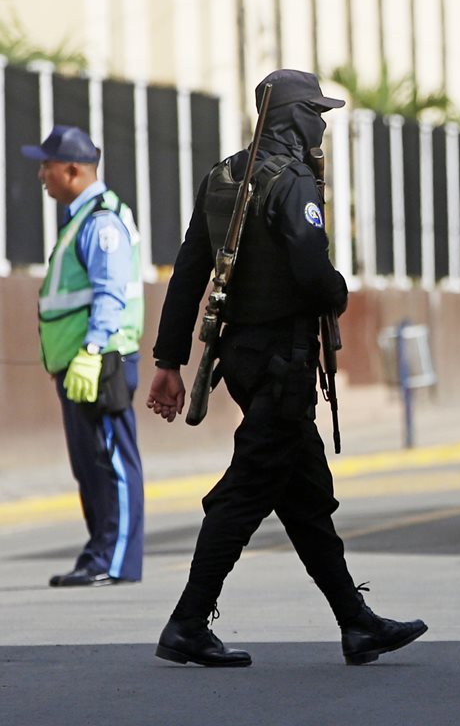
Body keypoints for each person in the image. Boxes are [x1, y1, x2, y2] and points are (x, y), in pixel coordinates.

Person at [145, 69, 427, 667]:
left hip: (245, 362)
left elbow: (189, 272)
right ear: (294, 119)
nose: (321, 125)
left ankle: (356, 624)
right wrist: (338, 291)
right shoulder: (292, 181)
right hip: (282, 362)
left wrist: (169, 359)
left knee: (302, 494)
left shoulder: (224, 177)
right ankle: (187, 623)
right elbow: (310, 270)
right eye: (315, 114)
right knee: (244, 493)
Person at [23, 125, 145, 588]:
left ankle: (115, 560)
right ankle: (99, 553)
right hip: (80, 363)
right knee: (90, 462)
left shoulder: (101, 221)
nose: (41, 174)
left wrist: (93, 349)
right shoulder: (82, 218)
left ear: (72, 170)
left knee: (112, 459)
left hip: (102, 359)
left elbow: (110, 293)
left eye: (46, 166)